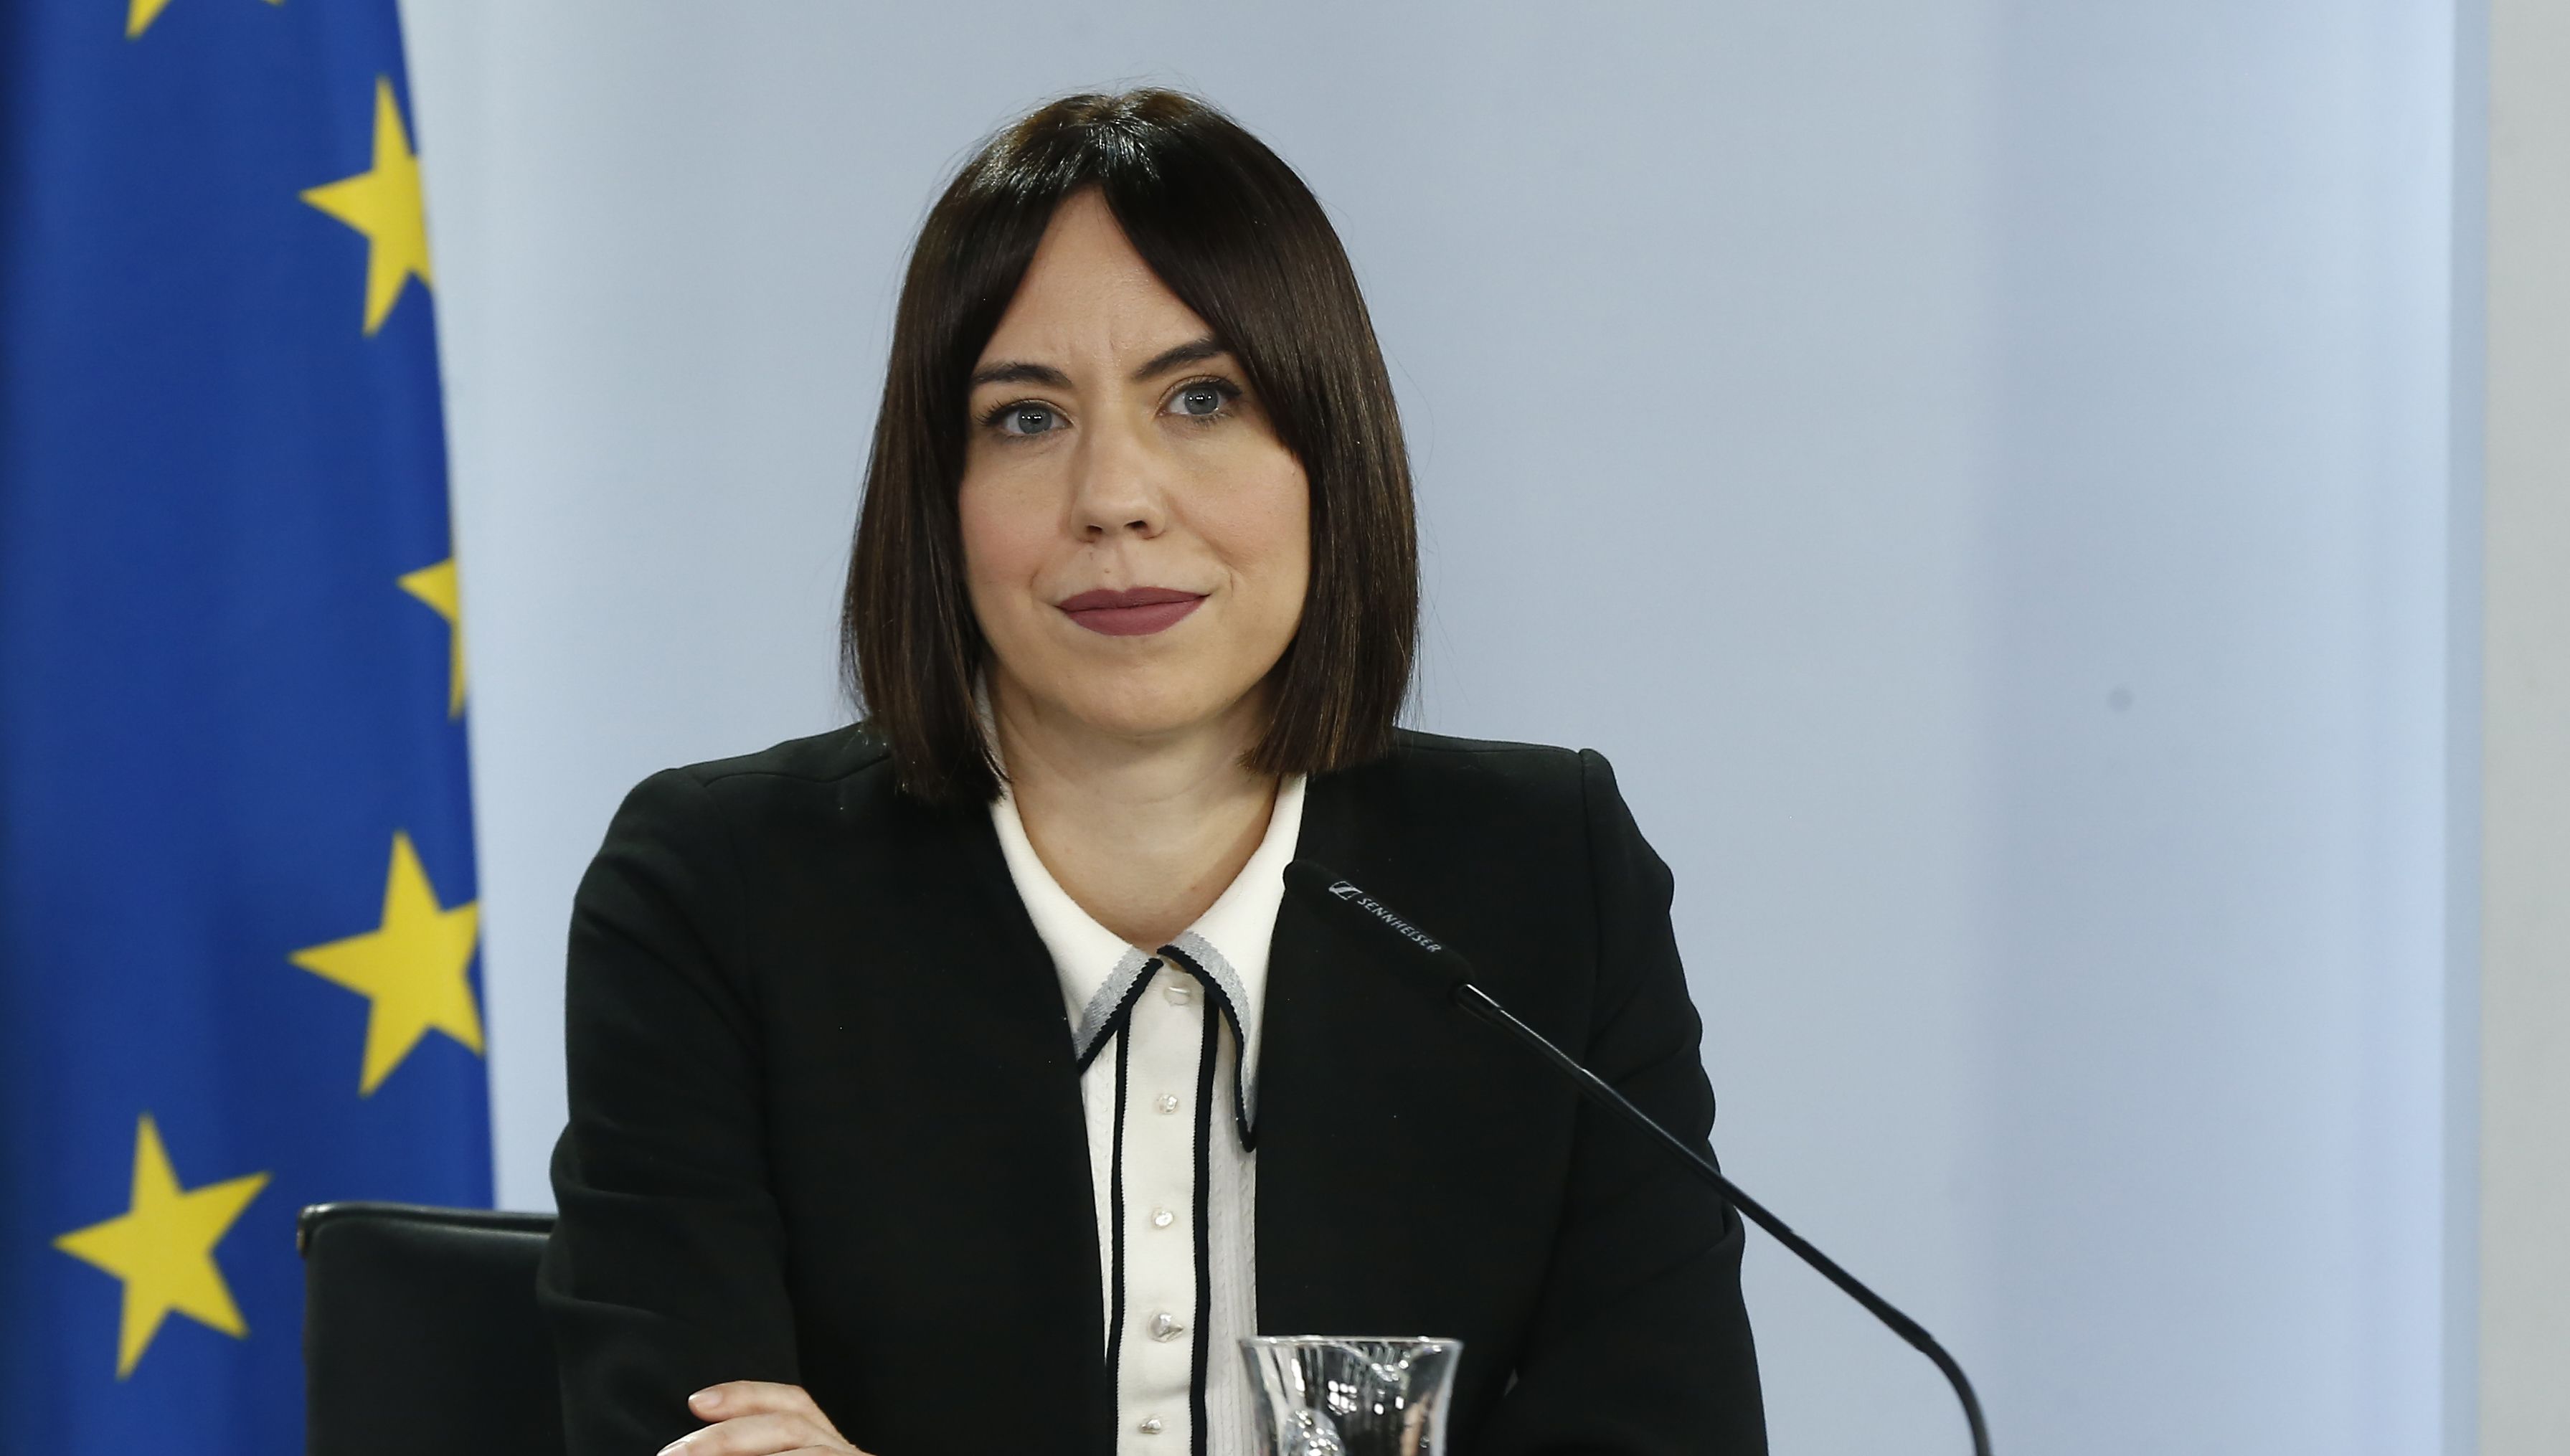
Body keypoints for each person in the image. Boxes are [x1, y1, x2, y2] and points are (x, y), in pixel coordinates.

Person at [537, 89, 1764, 1456]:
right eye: (1024, 418)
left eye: (1202, 398)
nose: (1116, 495)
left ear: (1326, 453)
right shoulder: (720, 893)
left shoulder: (1544, 877)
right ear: (932, 496)